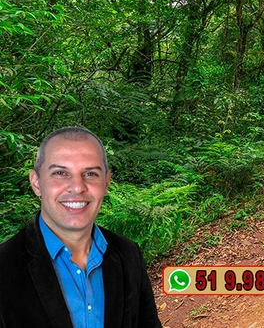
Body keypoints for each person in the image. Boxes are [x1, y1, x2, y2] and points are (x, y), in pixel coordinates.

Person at [0, 126, 162, 328]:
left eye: (91, 174)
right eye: (60, 172)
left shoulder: (128, 255)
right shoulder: (4, 266)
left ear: (106, 183)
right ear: (36, 182)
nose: (77, 187)